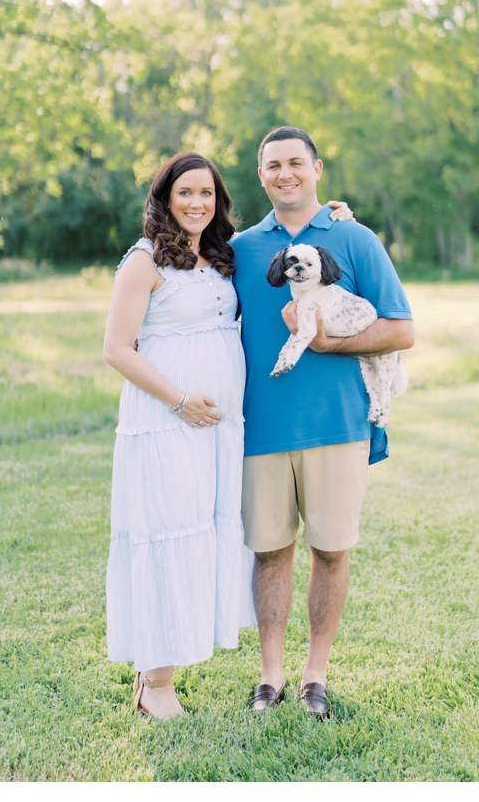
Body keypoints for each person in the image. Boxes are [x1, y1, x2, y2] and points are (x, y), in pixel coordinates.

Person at [102, 151, 353, 719]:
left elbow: (291, 250)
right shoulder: (143, 261)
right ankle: (155, 682)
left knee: (198, 532)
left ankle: (165, 669)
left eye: (206, 194)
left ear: (219, 202)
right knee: (165, 530)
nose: (196, 203)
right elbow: (116, 348)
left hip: (219, 426)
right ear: (164, 198)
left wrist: (333, 213)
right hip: (167, 418)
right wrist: (179, 400)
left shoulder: (222, 255)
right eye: (185, 193)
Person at [231, 126, 414, 719]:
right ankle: (270, 675)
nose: (284, 174)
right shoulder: (239, 249)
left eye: (295, 163)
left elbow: (401, 328)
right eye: (272, 165)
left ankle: (315, 676)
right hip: (259, 427)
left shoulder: (354, 239)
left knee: (331, 552)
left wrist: (326, 343)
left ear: (316, 168)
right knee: (269, 552)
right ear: (260, 176)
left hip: (337, 426)